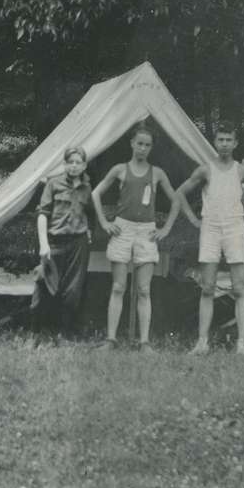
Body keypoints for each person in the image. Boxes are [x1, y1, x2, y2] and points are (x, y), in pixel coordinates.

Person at [174, 122, 244, 354]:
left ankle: (242, 342)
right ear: (214, 142)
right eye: (220, 140)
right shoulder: (205, 169)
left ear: (235, 143)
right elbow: (179, 193)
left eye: (229, 140)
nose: (224, 144)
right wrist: (195, 220)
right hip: (211, 230)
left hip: (235, 229)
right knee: (207, 287)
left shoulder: (241, 171)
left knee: (238, 287)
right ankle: (202, 342)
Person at [91, 125, 182, 351]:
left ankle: (144, 342)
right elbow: (95, 193)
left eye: (147, 145)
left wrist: (166, 228)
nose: (142, 148)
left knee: (144, 289)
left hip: (146, 232)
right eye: (139, 143)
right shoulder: (120, 169)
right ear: (132, 143)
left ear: (151, 148)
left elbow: (177, 200)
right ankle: (111, 339)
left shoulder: (157, 173)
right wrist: (104, 222)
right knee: (119, 286)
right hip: (122, 230)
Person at [32, 147, 93, 338]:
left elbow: (89, 212)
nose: (74, 166)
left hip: (78, 243)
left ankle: (64, 332)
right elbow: (43, 214)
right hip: (55, 241)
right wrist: (44, 244)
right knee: (47, 284)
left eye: (78, 163)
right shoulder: (53, 184)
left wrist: (89, 231)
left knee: (73, 289)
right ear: (65, 164)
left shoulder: (87, 187)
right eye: (70, 162)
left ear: (84, 165)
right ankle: (40, 332)